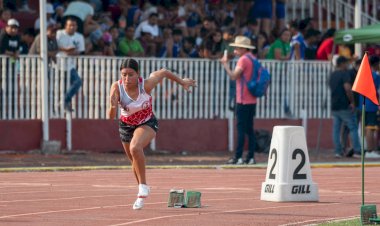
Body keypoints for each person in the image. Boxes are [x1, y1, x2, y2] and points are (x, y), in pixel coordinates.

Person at [107, 58, 196, 210]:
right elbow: (110, 117)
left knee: (136, 148)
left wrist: (182, 82)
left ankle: (142, 187)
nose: (127, 79)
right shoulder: (116, 87)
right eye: (124, 75)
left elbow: (164, 72)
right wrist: (113, 105)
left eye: (131, 74)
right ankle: (142, 190)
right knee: (133, 160)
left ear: (138, 74)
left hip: (147, 123)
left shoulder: (147, 84)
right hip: (126, 125)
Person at [220, 36, 257, 165]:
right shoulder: (253, 58)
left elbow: (234, 76)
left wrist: (225, 64)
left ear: (242, 49)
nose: (235, 50)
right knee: (250, 129)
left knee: (241, 129)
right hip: (252, 99)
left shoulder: (243, 60)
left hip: (243, 99)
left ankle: (238, 157)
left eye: (236, 48)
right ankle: (251, 157)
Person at [328, 56, 361, 158]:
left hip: (334, 105)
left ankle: (338, 151)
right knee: (353, 127)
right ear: (342, 64)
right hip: (344, 105)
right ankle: (357, 151)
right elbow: (347, 88)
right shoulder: (344, 74)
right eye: (346, 63)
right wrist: (352, 101)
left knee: (336, 129)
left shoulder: (332, 75)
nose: (347, 65)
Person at [56, 17, 84, 111]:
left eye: (74, 25)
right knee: (57, 87)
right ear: (65, 26)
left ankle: (65, 100)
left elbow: (79, 51)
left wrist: (68, 51)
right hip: (56, 65)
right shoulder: (59, 34)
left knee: (78, 81)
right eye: (70, 25)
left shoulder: (79, 36)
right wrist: (66, 50)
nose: (72, 27)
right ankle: (59, 105)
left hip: (70, 66)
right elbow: (54, 47)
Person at [357, 56, 380, 158]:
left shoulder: (362, 75)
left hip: (362, 103)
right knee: (371, 128)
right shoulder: (375, 75)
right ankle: (370, 151)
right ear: (376, 64)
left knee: (365, 127)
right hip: (371, 105)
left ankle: (366, 149)